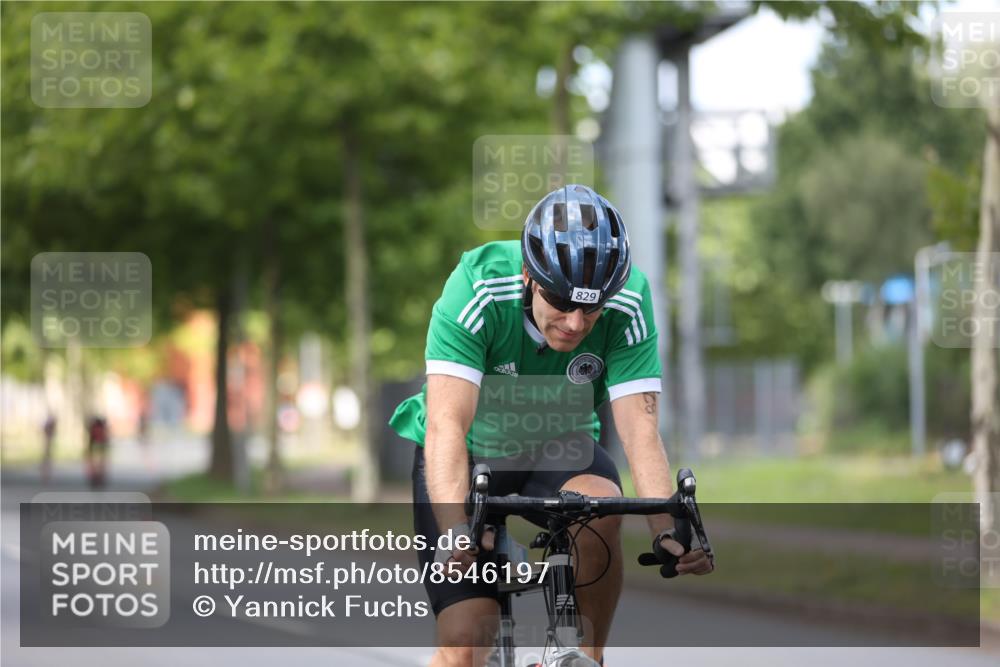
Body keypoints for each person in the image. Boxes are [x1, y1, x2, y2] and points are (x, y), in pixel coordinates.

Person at [389, 185, 714, 667]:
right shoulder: (476, 287)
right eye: (561, 301)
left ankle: (587, 656)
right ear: (528, 275)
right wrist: (456, 529)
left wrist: (667, 531)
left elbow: (640, 429)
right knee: (464, 645)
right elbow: (445, 426)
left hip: (557, 446)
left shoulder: (628, 301)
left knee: (601, 506)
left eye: (592, 306)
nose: (577, 322)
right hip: (470, 455)